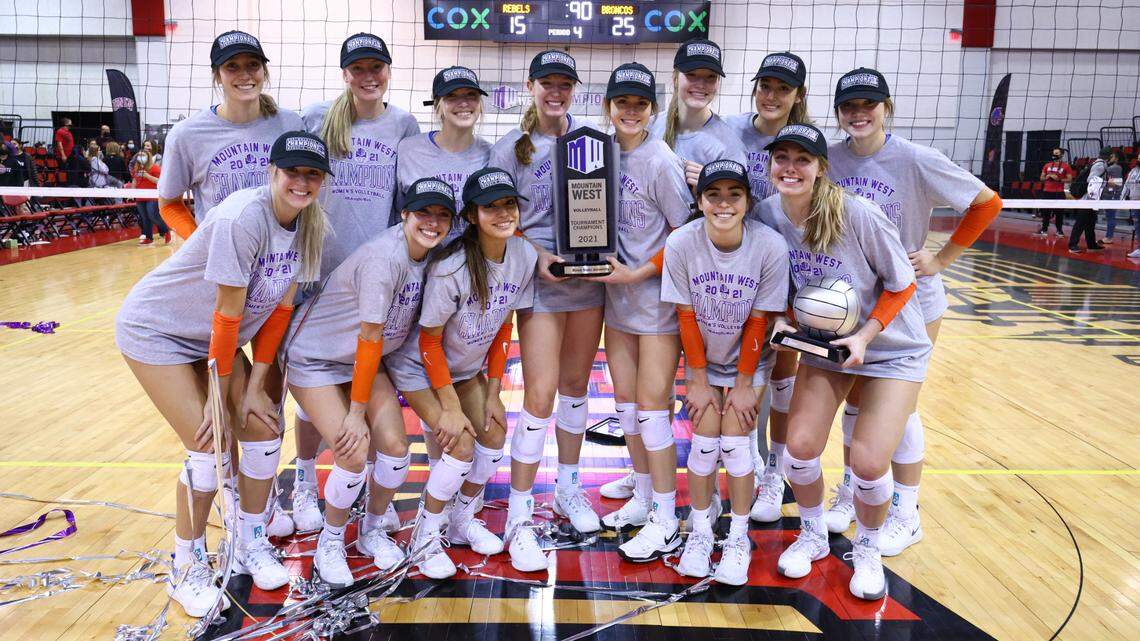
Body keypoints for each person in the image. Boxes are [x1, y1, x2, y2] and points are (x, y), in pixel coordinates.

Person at [114, 130, 330, 617]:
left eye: (312, 173)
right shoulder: (242, 217)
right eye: (292, 171)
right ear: (272, 172)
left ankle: (251, 540)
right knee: (208, 448)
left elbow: (278, 311)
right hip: (159, 330)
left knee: (262, 424)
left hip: (214, 340)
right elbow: (228, 315)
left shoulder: (311, 225)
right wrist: (219, 390)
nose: (301, 181)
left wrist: (255, 389)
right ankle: (184, 566)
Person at [824, 68, 1002, 557]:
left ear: (887, 107)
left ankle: (907, 509)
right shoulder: (831, 160)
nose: (859, 113)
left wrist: (942, 258)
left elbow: (987, 203)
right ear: (839, 112)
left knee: (898, 407)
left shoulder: (917, 159)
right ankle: (852, 488)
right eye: (849, 106)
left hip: (912, 297)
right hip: (857, 297)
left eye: (868, 105)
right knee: (858, 403)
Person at [757, 122, 932, 600]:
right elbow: (780, 282)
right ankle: (813, 534)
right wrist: (784, 319)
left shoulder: (858, 214)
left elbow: (902, 285)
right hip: (827, 347)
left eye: (802, 160)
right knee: (799, 448)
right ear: (770, 163)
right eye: (782, 158)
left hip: (892, 349)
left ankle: (868, 547)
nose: (790, 168)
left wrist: (865, 336)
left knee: (871, 463)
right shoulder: (770, 214)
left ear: (821, 168)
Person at [285, 178, 454, 586]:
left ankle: (371, 530)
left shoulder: (431, 257)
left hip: (363, 360)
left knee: (396, 450)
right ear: (404, 215)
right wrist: (357, 412)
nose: (431, 223)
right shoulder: (385, 259)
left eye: (441, 216)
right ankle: (330, 540)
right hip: (317, 358)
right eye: (423, 214)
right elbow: (369, 337)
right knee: (354, 450)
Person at [290, 32, 421, 534]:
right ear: (345, 74)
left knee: (363, 380)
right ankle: (303, 478)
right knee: (311, 389)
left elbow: (404, 200)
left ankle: (367, 497)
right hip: (317, 275)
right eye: (358, 69)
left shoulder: (403, 123)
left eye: (377, 68)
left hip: (374, 280)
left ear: (388, 71)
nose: (369, 77)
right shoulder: (318, 118)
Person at [385, 168, 537, 578]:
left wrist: (493, 393)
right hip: (420, 366)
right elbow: (429, 341)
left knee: (493, 433)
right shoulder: (451, 268)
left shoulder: (524, 256)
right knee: (460, 445)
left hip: (467, 368)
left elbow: (505, 324)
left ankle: (462, 518)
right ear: (471, 215)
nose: (503, 213)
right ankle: (425, 533)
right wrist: (450, 409)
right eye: (491, 206)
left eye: (509, 204)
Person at [488, 50, 606, 572]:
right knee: (538, 395)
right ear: (530, 86)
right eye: (547, 83)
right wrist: (539, 256)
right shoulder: (509, 149)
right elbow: (496, 220)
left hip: (587, 281)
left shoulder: (592, 144)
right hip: (538, 283)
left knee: (576, 390)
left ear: (574, 88)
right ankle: (518, 514)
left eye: (565, 83)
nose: (556, 92)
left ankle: (569, 489)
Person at [665, 160, 789, 584]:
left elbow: (759, 320)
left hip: (747, 364)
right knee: (703, 443)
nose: (723, 203)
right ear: (699, 202)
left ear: (747, 202)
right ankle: (701, 532)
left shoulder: (769, 246)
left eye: (734, 195)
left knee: (735, 443)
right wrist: (696, 381)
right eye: (713, 195)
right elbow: (685, 316)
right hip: (704, 360)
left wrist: (742, 385)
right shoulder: (682, 243)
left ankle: (737, 536)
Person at [592, 62, 693, 562]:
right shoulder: (600, 156)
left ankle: (666, 517)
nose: (630, 112)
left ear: (653, 110)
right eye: (622, 103)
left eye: (640, 104)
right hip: (617, 302)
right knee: (628, 408)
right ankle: (643, 494)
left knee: (653, 410)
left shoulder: (661, 160)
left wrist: (636, 273)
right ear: (608, 107)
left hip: (654, 303)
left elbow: (684, 233)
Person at [724, 50, 812, 523]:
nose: (772, 95)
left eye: (783, 88)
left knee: (780, 369)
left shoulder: (808, 142)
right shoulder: (730, 130)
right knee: (741, 364)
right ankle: (746, 456)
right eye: (766, 85)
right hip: (736, 268)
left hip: (793, 271)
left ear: (798, 96)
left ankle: (772, 467)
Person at [158, 30, 305, 239]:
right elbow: (169, 204)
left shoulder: (291, 125)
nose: (244, 74)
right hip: (224, 261)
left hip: (282, 260)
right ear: (218, 75)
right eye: (232, 66)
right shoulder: (187, 135)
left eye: (253, 64)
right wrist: (200, 243)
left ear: (264, 71)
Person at [396, 65, 491, 241]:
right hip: (421, 261)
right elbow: (398, 216)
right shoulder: (408, 150)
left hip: (472, 261)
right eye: (452, 96)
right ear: (437, 103)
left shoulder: (491, 154)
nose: (463, 103)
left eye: (471, 95)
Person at [650, 38, 746, 185]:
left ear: (718, 82)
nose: (701, 84)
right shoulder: (650, 126)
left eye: (710, 77)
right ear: (675, 78)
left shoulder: (729, 147)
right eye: (691, 74)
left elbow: (736, 204)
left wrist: (710, 185)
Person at [1069, 147, 1108, 253]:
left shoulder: (1097, 163)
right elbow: (1091, 180)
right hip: (1088, 198)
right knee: (1081, 222)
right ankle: (1072, 245)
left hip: (1092, 199)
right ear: (1108, 156)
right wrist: (1107, 183)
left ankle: (1091, 244)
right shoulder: (1100, 165)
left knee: (1090, 222)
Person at [132, 146, 169, 245]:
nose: (140, 157)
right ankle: (149, 237)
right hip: (140, 196)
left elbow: (159, 181)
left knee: (153, 215)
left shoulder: (155, 168)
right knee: (145, 217)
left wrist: (147, 176)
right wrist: (131, 192)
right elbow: (135, 180)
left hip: (152, 196)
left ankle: (166, 230)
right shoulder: (136, 168)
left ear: (148, 157)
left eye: (143, 155)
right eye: (139, 156)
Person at [1036, 148, 1073, 237]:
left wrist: (1058, 179)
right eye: (1053, 153)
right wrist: (1047, 176)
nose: (1054, 155)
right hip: (1047, 192)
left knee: (1059, 212)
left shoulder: (1066, 166)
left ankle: (1059, 230)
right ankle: (1044, 229)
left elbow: (1070, 179)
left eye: (1056, 153)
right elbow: (1041, 178)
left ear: (1061, 155)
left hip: (1058, 192)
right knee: (1045, 212)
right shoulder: (1047, 165)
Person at [1100, 151, 1125, 244]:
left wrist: (1102, 163)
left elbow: (1116, 183)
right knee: (1109, 215)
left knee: (1111, 216)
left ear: (1117, 158)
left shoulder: (1116, 167)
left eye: (1112, 156)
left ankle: (1109, 237)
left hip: (1113, 195)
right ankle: (1108, 236)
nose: (1110, 157)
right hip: (1109, 194)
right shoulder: (1113, 167)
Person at [1126, 157, 1140, 259]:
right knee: (1137, 225)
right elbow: (1127, 185)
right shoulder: (1133, 171)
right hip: (1134, 201)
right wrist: (1121, 200)